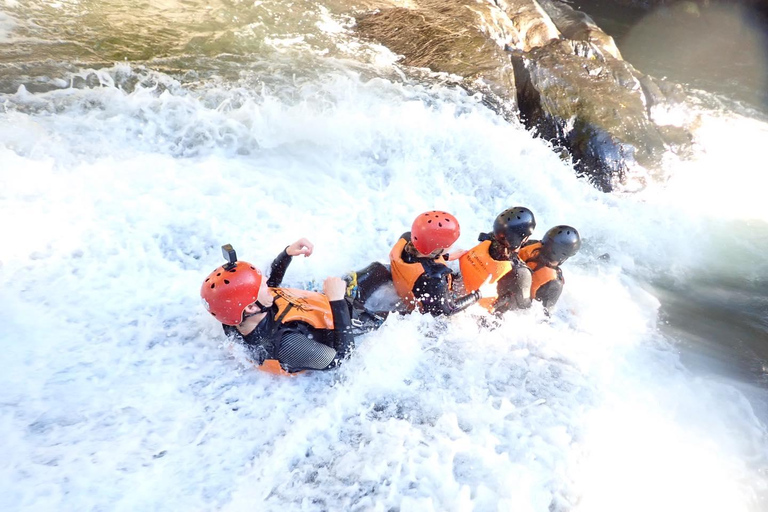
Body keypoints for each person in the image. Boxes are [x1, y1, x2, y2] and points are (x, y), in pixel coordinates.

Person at [201, 239, 380, 375]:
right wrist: (337, 301)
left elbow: (268, 288)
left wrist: (286, 255)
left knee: (377, 269)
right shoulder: (287, 345)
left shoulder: (237, 316)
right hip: (347, 321)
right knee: (398, 312)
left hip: (326, 302)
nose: (267, 283)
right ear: (251, 308)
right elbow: (342, 359)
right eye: (262, 285)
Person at [388, 210, 497, 316]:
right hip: (427, 315)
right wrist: (479, 293)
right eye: (450, 244)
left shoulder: (406, 240)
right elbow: (450, 309)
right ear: (438, 249)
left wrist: (445, 257)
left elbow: (421, 259)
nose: (452, 245)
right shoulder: (435, 277)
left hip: (407, 289)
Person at [459, 206, 536, 314]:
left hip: (462, 292)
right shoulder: (521, 273)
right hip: (484, 314)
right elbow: (524, 305)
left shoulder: (486, 239)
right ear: (525, 239)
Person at [518, 225, 581, 311]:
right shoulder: (555, 283)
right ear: (564, 256)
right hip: (519, 305)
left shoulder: (531, 244)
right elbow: (544, 316)